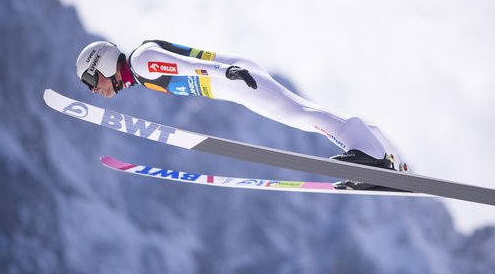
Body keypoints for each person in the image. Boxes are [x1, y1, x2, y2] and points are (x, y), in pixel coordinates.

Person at [75, 39, 407, 189]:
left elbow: (190, 66)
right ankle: (380, 153)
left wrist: (228, 72)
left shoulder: (142, 62)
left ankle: (371, 157)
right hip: (234, 82)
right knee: (302, 113)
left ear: (100, 64)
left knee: (300, 115)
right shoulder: (139, 70)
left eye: (91, 80)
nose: (93, 89)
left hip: (236, 82)